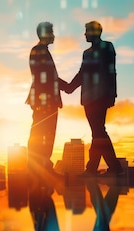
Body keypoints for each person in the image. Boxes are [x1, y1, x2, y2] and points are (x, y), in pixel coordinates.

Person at [65, 21, 123, 176]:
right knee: (97, 132)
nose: (84, 34)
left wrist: (112, 93)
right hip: (88, 99)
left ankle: (109, 168)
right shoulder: (86, 53)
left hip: (101, 96)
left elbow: (112, 70)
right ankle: (97, 168)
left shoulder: (107, 47)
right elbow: (82, 73)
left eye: (86, 31)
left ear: (94, 32)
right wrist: (69, 88)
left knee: (99, 131)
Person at [26, 22, 68, 177]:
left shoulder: (41, 51)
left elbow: (49, 77)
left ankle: (42, 165)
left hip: (44, 99)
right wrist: (67, 87)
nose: (54, 35)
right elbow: (49, 77)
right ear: (45, 34)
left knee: (44, 132)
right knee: (42, 132)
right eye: (51, 32)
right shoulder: (39, 51)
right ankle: (38, 167)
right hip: (44, 100)